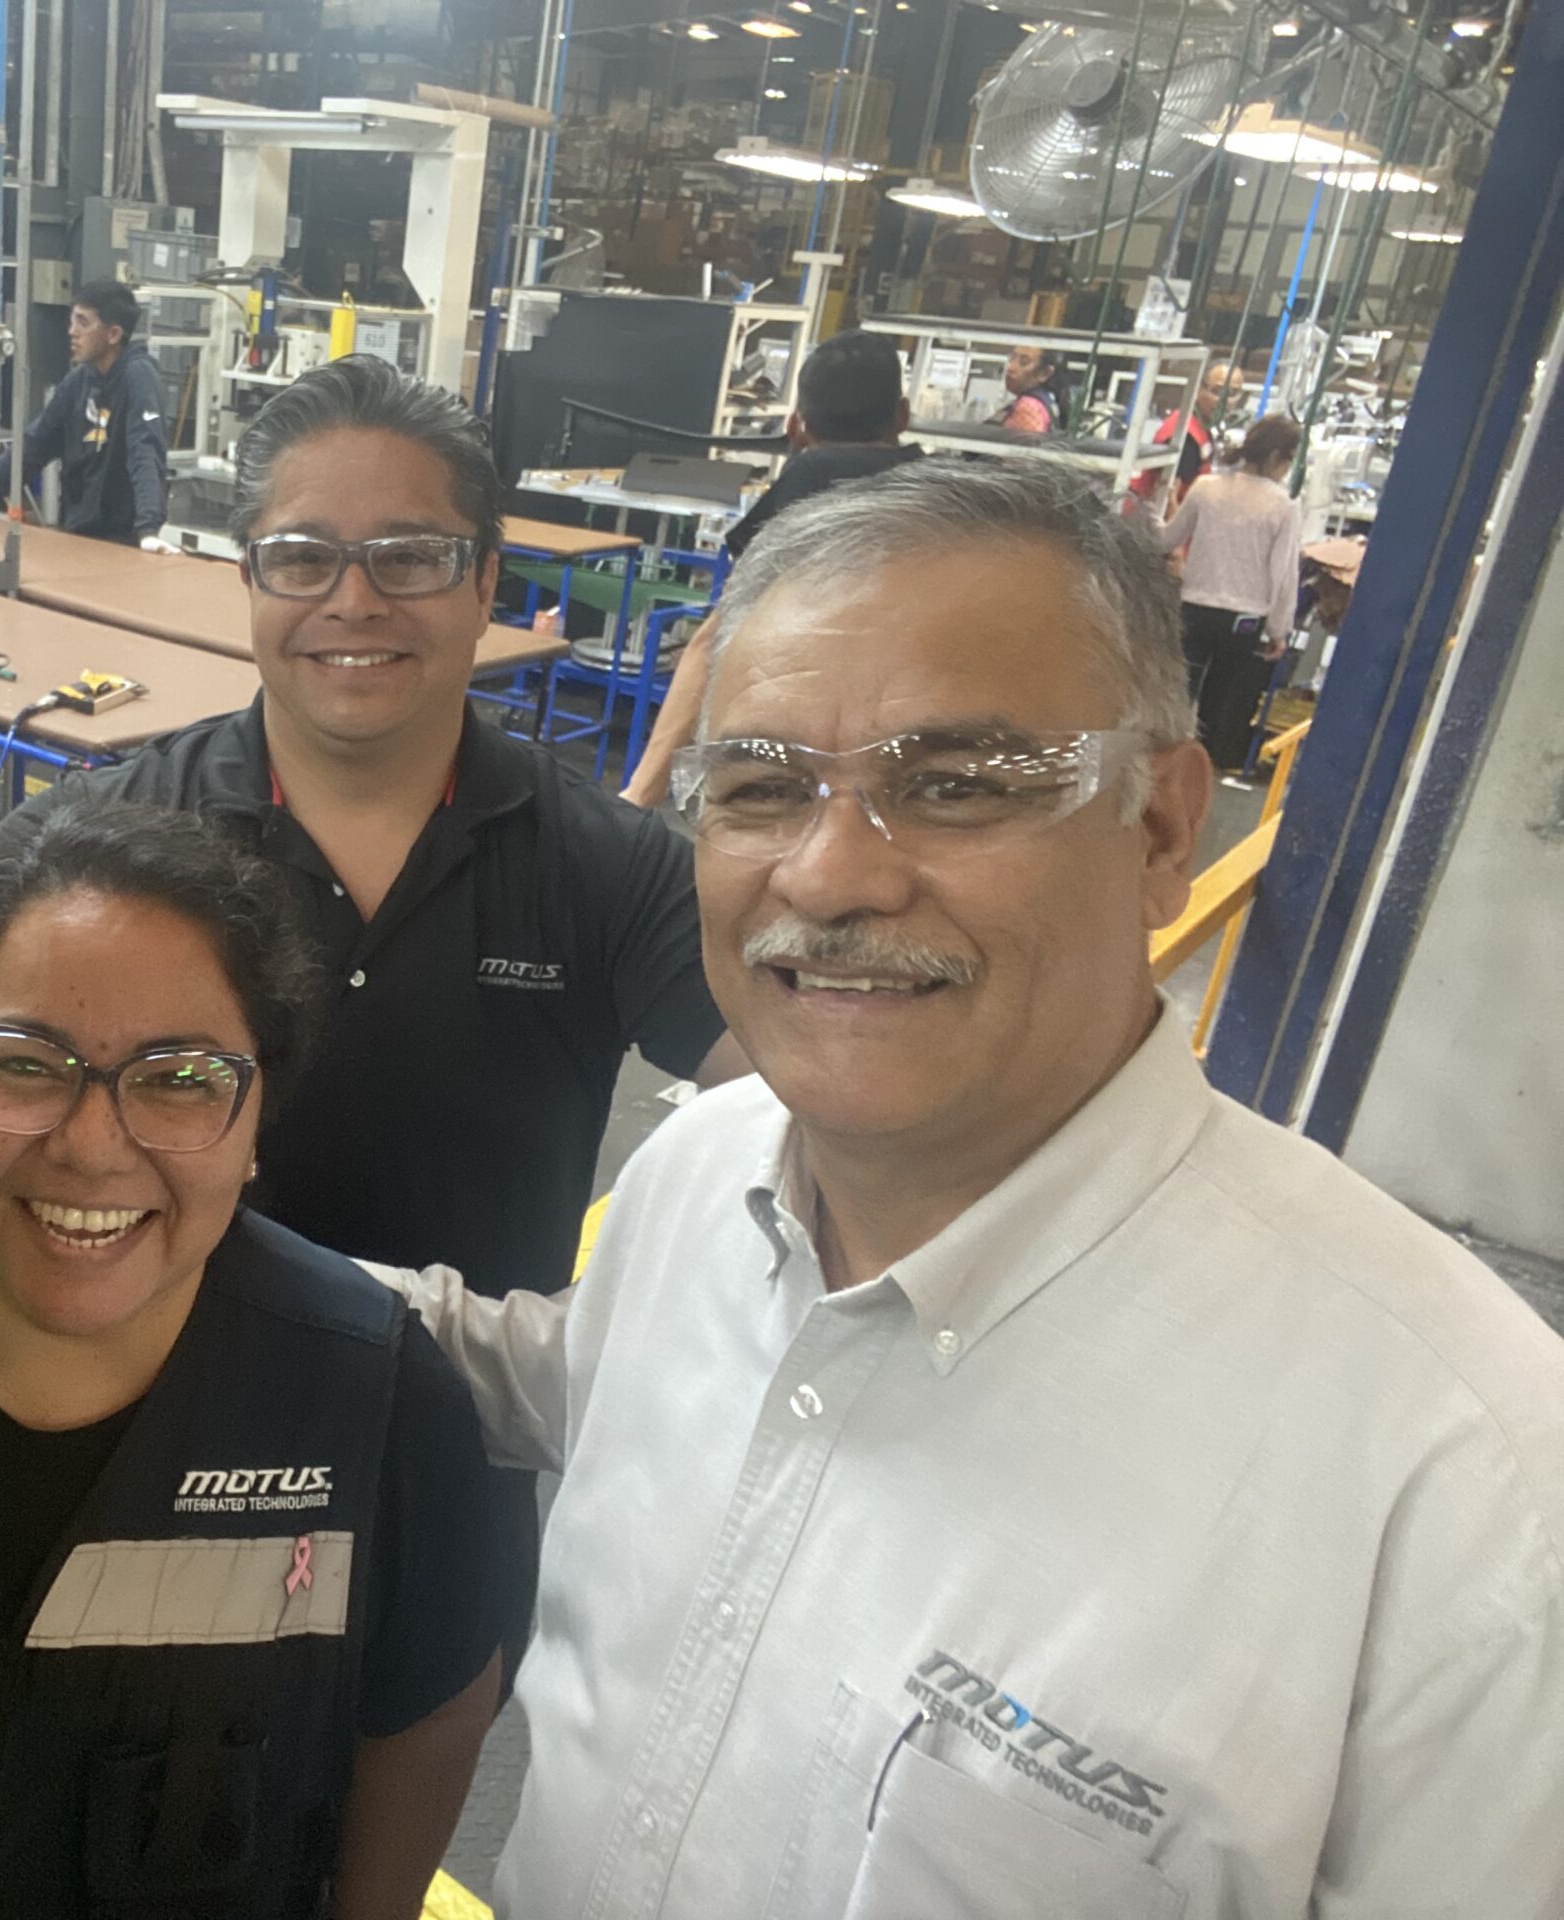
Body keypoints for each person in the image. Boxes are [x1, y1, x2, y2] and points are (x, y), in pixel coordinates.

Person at [377, 457, 1564, 1916]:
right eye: (761, 787)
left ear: (1163, 827)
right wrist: (184, 1256)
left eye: (953, 787)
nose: (830, 875)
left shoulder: (1470, 1500)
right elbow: (585, 1387)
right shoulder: (698, 1171)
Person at [0, 356, 735, 1673]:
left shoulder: (600, 866)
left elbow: (813, 1100)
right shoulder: (121, 831)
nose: (353, 601)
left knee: (414, 1760)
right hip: (151, 1442)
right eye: (302, 556)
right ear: (247, 580)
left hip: (445, 1460)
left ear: (485, 581)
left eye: (409, 556)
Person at [0, 793, 503, 1918]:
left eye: (181, 1079)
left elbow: (433, 1703)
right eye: (25, 1064)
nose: (92, 1146)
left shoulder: (374, 1399)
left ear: (256, 1121)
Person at [621, 327, 925, 807]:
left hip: (806, 740)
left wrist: (639, 794)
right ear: (903, 415)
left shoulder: (806, 484)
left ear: (796, 424)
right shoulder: (940, 493)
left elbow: (719, 640)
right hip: (913, 745)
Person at [0, 279, 169, 544]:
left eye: (83, 323)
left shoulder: (139, 377)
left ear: (113, 334)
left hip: (124, 538)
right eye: (72, 321)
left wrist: (148, 530)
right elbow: (33, 445)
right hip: (79, 533)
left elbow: (145, 450)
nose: (72, 332)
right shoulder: (78, 382)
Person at [1160, 412, 1305, 775]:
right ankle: (1200, 773)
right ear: (1277, 458)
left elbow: (1167, 539)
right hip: (1245, 619)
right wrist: (1279, 630)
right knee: (1220, 702)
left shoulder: (1206, 488)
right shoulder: (1284, 506)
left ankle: (1159, 763)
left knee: (1176, 692)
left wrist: (1153, 511)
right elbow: (1283, 574)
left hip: (1194, 607)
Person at [1129, 359, 1239, 514]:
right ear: (1198, 388)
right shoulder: (1186, 437)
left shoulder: (1198, 425)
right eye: (1217, 391)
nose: (1225, 401)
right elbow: (1168, 498)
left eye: (1233, 394)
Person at [993, 341, 1067, 434]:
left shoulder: (1028, 407)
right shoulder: (1046, 399)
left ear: (1044, 373)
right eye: (1012, 359)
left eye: (1024, 362)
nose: (1010, 367)